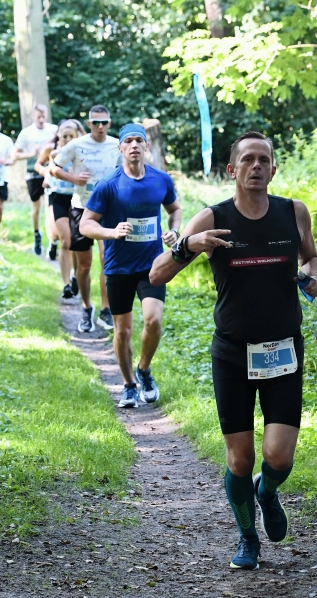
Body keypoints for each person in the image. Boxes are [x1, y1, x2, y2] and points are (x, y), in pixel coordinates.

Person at [149, 132, 317, 570]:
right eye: (247, 160)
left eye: (264, 160)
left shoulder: (293, 212)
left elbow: (311, 258)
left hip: (283, 349)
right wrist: (187, 245)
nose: (256, 166)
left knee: (279, 457)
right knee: (240, 459)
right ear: (232, 169)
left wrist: (314, 278)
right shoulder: (212, 218)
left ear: (273, 169)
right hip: (232, 353)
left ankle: (268, 491)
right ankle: (248, 538)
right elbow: (156, 275)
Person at [79, 123, 181, 406]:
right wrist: (112, 232)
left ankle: (144, 369)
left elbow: (174, 209)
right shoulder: (108, 185)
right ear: (120, 147)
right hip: (118, 267)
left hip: (152, 265)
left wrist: (174, 231)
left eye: (139, 140)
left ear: (146, 145)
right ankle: (128, 386)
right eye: (128, 141)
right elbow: (86, 224)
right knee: (122, 331)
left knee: (153, 320)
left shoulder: (161, 180)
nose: (134, 145)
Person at [51, 105, 118, 332]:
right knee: (84, 265)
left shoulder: (116, 145)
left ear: (109, 123)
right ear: (89, 124)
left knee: (106, 259)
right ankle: (86, 307)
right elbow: (54, 168)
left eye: (104, 122)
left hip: (108, 210)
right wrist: (74, 179)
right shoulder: (76, 145)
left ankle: (106, 309)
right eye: (96, 122)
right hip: (81, 208)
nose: (100, 127)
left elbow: (126, 173)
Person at [36, 119, 83, 299]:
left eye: (72, 136)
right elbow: (48, 168)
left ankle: (75, 275)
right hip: (58, 197)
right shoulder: (54, 152)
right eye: (65, 136)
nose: (68, 139)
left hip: (77, 199)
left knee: (76, 243)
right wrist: (46, 176)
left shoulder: (83, 152)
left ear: (77, 136)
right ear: (59, 136)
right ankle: (66, 285)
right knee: (65, 240)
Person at [14, 104, 57, 255]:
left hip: (50, 172)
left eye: (43, 116)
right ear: (33, 116)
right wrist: (30, 154)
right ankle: (37, 235)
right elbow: (15, 155)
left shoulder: (54, 130)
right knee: (36, 208)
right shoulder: (26, 133)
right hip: (33, 173)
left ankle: (53, 240)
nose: (41, 120)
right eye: (38, 117)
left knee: (50, 208)